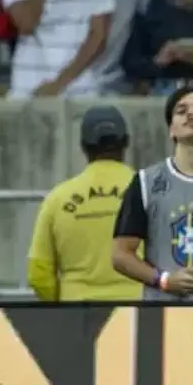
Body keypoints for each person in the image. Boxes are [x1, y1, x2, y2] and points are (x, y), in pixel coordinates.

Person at [111, 86, 193, 302]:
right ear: (171, 129)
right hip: (161, 315)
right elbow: (120, 254)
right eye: (181, 111)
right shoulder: (146, 182)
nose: (191, 113)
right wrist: (163, 280)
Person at [28, 105, 140, 302]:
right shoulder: (153, 192)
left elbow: (39, 273)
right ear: (126, 142)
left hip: (77, 315)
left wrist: (61, 305)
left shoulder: (58, 198)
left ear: (83, 146)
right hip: (142, 313)